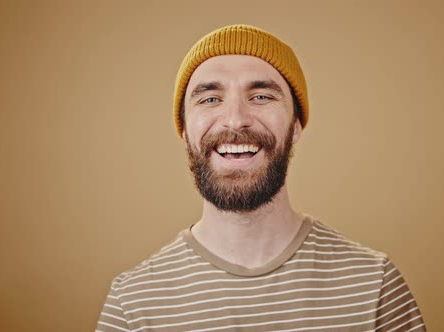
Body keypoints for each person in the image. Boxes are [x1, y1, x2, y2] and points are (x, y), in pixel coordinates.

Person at [96, 24, 426, 332]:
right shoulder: (132, 304)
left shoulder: (374, 285)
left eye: (261, 96)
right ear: (184, 133)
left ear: (295, 128)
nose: (235, 120)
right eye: (210, 99)